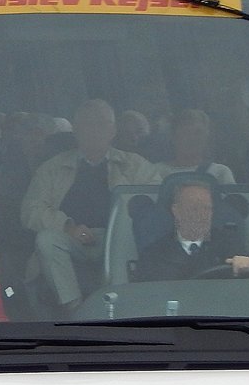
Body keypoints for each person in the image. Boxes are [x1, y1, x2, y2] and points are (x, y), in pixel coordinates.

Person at [20, 99, 155, 309]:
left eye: (102, 123)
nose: (95, 130)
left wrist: (120, 230)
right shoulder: (52, 168)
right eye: (88, 123)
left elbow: (155, 206)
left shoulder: (136, 166)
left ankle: (119, 309)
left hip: (121, 241)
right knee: (46, 239)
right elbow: (30, 210)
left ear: (113, 130)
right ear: (76, 129)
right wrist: (68, 227)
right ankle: (76, 310)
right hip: (71, 240)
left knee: (127, 237)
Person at [133, 177, 249, 281]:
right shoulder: (153, 255)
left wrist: (246, 267)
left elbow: (248, 290)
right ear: (176, 211)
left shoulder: (230, 245)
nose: (201, 214)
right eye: (194, 208)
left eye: (206, 208)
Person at [149, 109, 235, 185]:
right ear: (174, 138)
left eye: (198, 133)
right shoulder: (155, 172)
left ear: (207, 137)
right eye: (186, 132)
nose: (192, 138)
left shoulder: (221, 172)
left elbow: (231, 202)